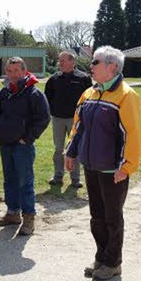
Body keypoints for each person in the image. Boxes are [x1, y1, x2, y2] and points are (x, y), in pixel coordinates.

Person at [65, 46, 141, 280]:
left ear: (112, 67)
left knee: (112, 217)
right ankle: (101, 256)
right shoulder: (89, 93)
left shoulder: (127, 96)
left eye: (96, 62)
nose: (91, 65)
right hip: (91, 165)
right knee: (96, 216)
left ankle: (112, 262)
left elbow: (133, 135)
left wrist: (126, 167)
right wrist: (71, 152)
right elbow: (78, 126)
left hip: (113, 169)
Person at [0, 57, 50, 235]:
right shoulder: (4, 92)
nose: (13, 74)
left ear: (24, 72)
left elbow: (44, 118)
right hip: (6, 143)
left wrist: (28, 138)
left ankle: (29, 218)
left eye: (17, 70)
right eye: (10, 71)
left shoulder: (34, 93)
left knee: (25, 182)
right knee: (9, 180)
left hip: (23, 145)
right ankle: (12, 213)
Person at [45, 50, 92, 188]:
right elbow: (47, 99)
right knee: (58, 148)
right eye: (60, 61)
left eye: (63, 60)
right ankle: (58, 176)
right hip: (58, 118)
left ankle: (75, 179)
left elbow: (90, 98)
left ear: (72, 62)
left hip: (76, 120)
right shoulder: (54, 79)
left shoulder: (83, 78)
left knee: (75, 148)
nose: (60, 63)